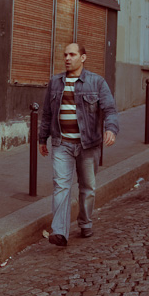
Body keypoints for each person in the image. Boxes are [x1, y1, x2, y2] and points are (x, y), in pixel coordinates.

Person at [39, 44, 119, 247]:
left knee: (87, 188)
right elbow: (47, 114)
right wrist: (42, 139)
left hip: (89, 144)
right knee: (61, 186)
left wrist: (111, 129)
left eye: (72, 54)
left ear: (83, 57)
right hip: (61, 143)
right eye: (65, 54)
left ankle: (85, 222)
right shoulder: (55, 82)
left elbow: (109, 109)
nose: (67, 58)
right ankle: (59, 232)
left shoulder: (97, 82)